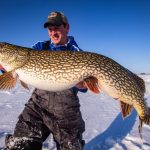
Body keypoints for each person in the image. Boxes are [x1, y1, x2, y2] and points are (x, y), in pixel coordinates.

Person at [3, 11, 87, 150]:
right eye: (50, 29)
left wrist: (80, 82)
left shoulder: (76, 53)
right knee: (19, 145)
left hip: (66, 112)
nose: (53, 32)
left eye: (57, 28)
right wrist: (4, 67)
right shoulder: (40, 47)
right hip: (37, 107)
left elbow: (84, 88)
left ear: (67, 27)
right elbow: (15, 70)